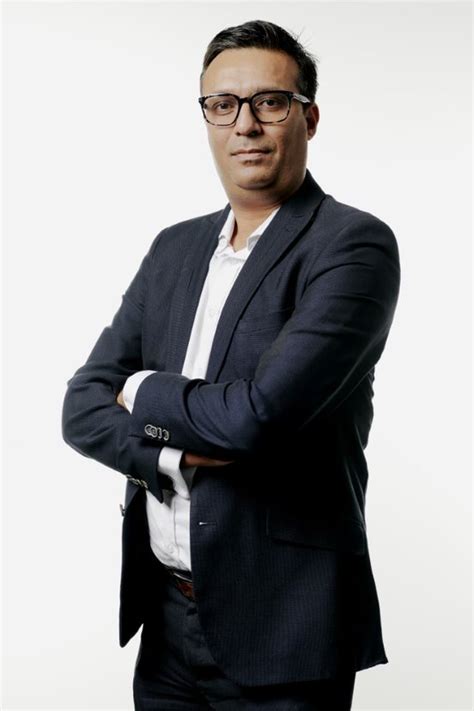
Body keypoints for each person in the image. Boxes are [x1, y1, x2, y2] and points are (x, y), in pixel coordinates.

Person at [62, 19, 400, 710]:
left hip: (284, 628)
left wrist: (142, 388)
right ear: (208, 118)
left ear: (308, 117)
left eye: (269, 102)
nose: (245, 124)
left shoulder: (352, 246)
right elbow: (81, 404)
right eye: (223, 104)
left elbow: (256, 418)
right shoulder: (174, 248)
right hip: (166, 618)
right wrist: (174, 454)